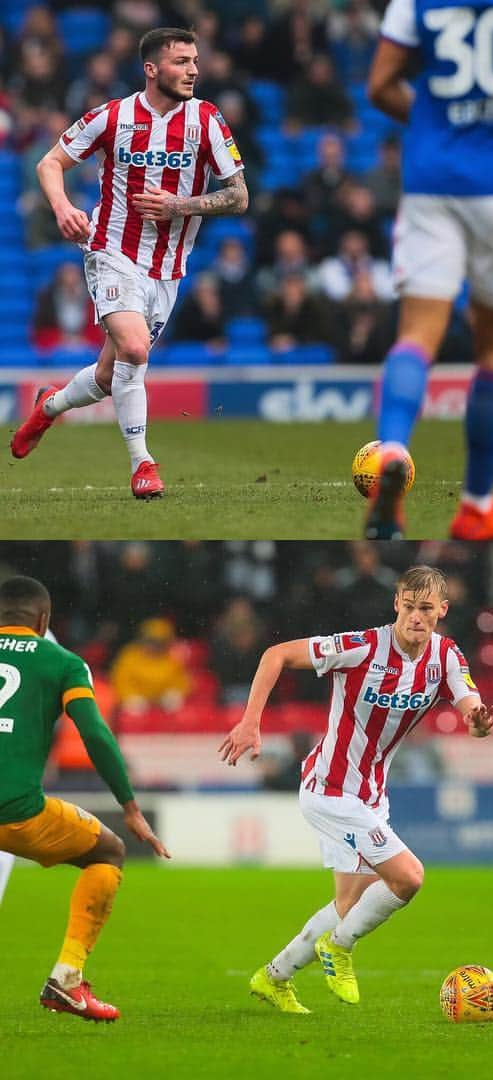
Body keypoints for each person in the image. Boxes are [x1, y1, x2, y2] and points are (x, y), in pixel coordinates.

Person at [219, 565, 493, 1013]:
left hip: (370, 795)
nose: (416, 617)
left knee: (350, 903)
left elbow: (472, 710)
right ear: (396, 604)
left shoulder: (446, 657)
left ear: (442, 611)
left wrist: (479, 723)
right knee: (408, 877)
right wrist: (251, 721)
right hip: (329, 789)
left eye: (426, 608)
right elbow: (276, 654)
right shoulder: (362, 646)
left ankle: (272, 978)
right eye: (408, 606)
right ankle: (340, 948)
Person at [11, 27, 248, 500]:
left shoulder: (208, 119)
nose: (194, 70)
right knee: (135, 351)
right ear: (152, 68)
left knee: (107, 374)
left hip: (168, 268)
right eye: (182, 61)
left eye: (195, 60)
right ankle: (143, 465)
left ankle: (49, 406)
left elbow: (239, 196)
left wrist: (181, 206)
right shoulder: (112, 116)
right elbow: (49, 163)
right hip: (111, 250)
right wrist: (63, 209)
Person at [363, 0, 493, 541]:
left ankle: (391, 448)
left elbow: (380, 85)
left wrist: (436, 124)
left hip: (432, 178)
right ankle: (477, 506)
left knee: (416, 336)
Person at [0, 575, 169, 1020]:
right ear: (43, 619)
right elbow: (94, 734)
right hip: (14, 813)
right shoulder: (63, 663)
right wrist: (130, 807)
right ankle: (66, 980)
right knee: (107, 852)